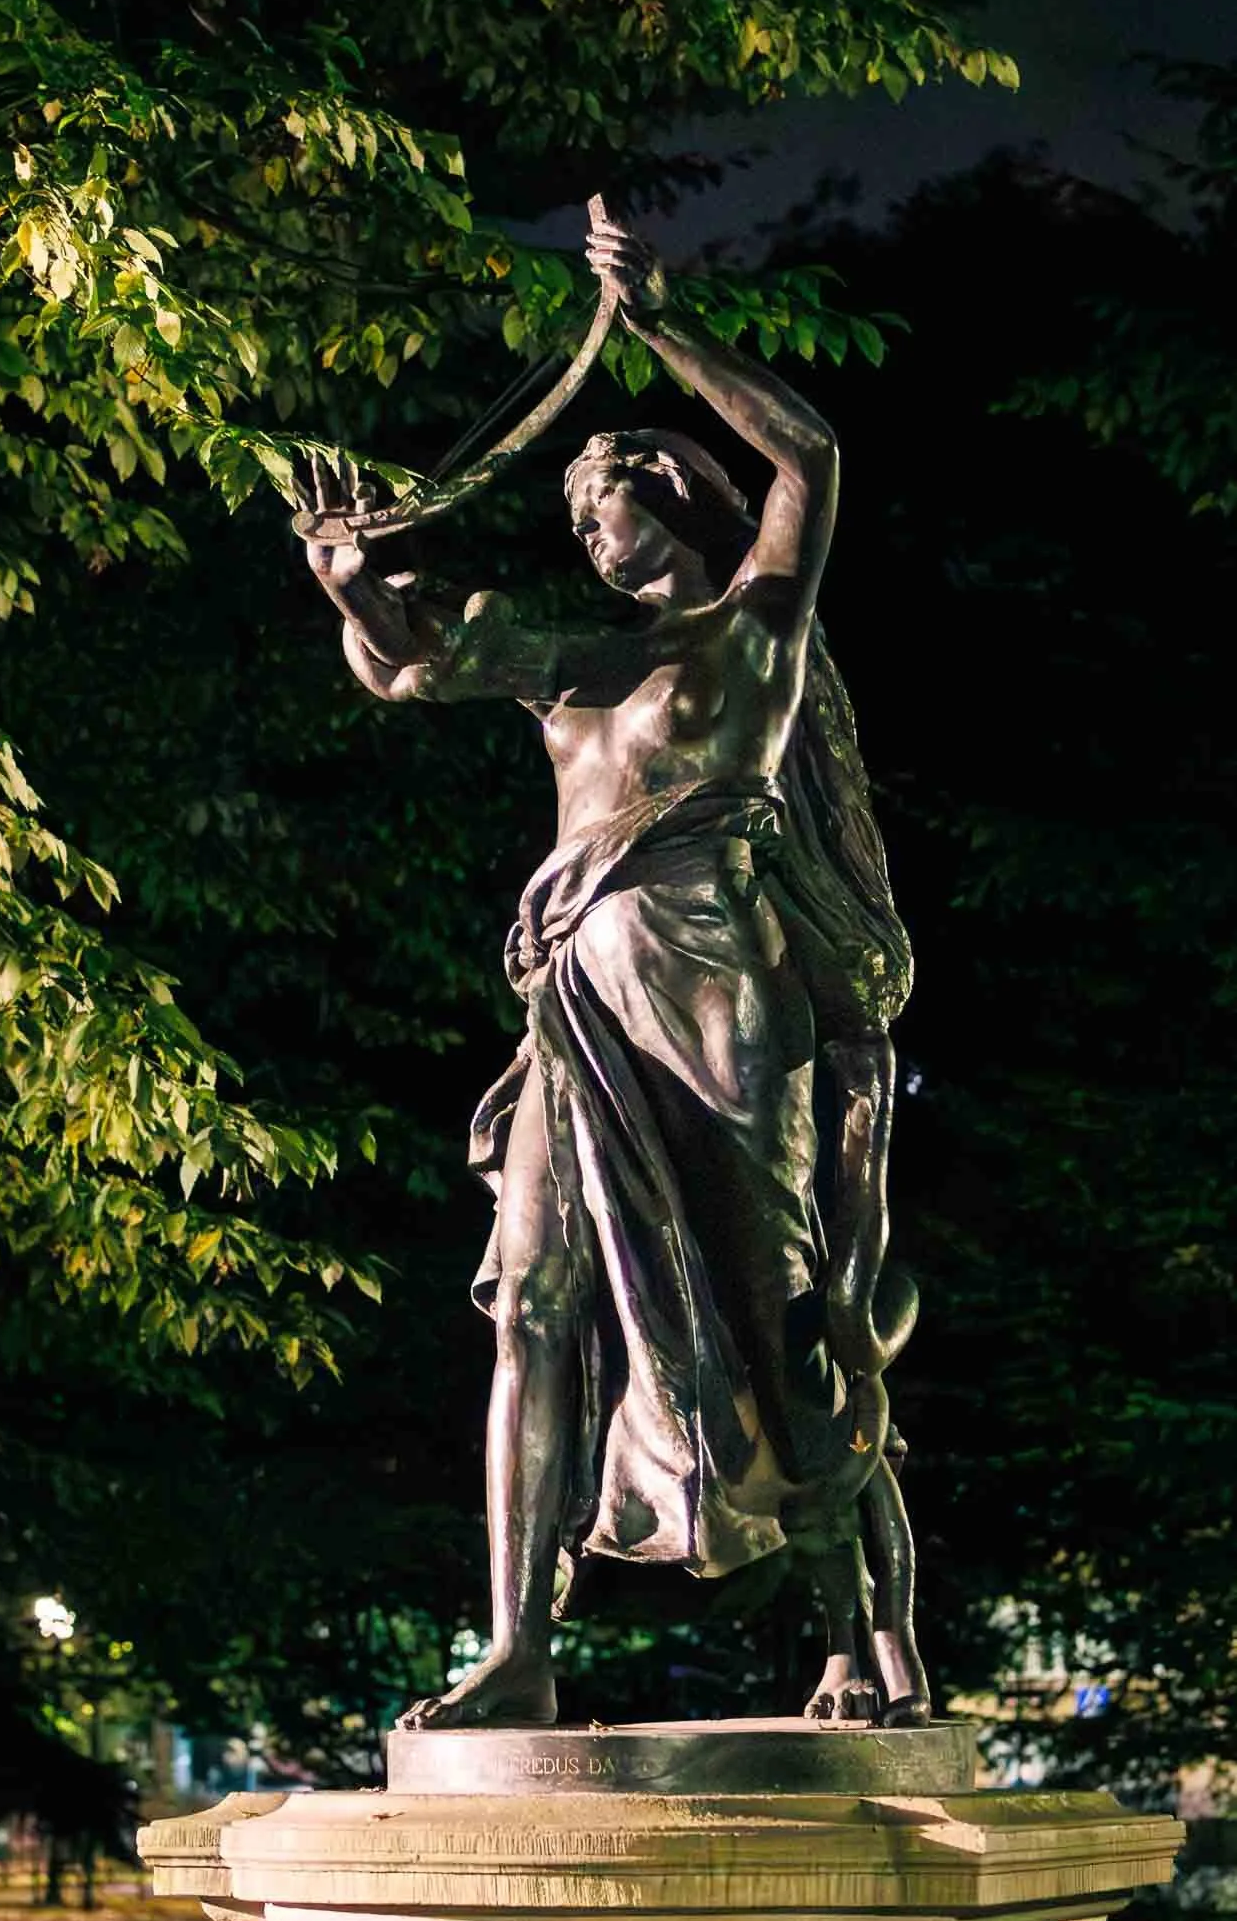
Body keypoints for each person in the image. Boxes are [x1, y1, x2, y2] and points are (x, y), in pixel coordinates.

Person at [300, 210, 929, 1732]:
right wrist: (344, 581)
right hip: (569, 1004)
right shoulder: (569, 666)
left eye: (606, 499)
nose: (585, 528)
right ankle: (520, 1647)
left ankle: (871, 1639)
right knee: (528, 1295)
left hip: (713, 986)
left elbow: (813, 465)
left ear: (675, 499)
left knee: (775, 1320)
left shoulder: (749, 637)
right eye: (575, 511)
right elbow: (400, 662)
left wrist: (656, 330)